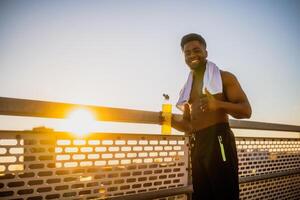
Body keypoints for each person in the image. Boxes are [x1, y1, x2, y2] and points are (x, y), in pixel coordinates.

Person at [163, 33, 252, 200]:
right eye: (187, 53)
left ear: (206, 52)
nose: (192, 55)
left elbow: (246, 110)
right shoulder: (186, 89)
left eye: (196, 50)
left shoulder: (224, 77)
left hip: (219, 140)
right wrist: (168, 120)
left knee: (224, 194)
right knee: (203, 195)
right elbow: (189, 126)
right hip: (198, 144)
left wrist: (219, 104)